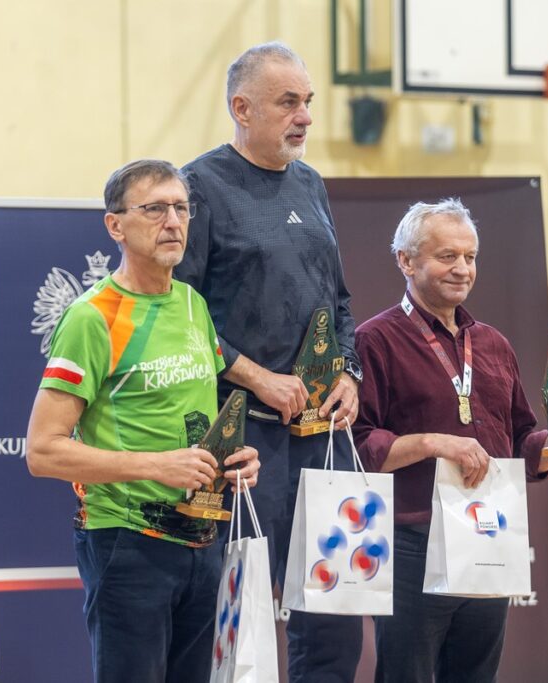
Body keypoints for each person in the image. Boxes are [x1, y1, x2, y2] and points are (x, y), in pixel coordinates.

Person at [25, 159, 260, 683]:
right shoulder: (93, 317)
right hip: (128, 542)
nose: (172, 221)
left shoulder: (193, 303)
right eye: (154, 208)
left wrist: (234, 460)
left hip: (203, 537)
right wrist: (159, 465)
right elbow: (42, 451)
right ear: (116, 225)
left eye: (181, 208)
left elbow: (194, 423)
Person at [174, 42, 363, 681]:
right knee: (242, 616)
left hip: (321, 440)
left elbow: (338, 300)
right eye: (289, 102)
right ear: (242, 108)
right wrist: (257, 377)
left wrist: (349, 373)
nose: (304, 115)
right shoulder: (196, 187)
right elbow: (180, 317)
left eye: (308, 101)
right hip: (242, 441)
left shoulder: (311, 184)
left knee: (335, 618)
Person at [351, 198, 548, 683]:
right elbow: (360, 446)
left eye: (470, 257)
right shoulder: (374, 339)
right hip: (412, 542)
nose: (462, 268)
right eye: (447, 256)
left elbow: (525, 440)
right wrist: (433, 443)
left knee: (476, 675)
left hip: (487, 533)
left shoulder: (491, 343)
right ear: (406, 261)